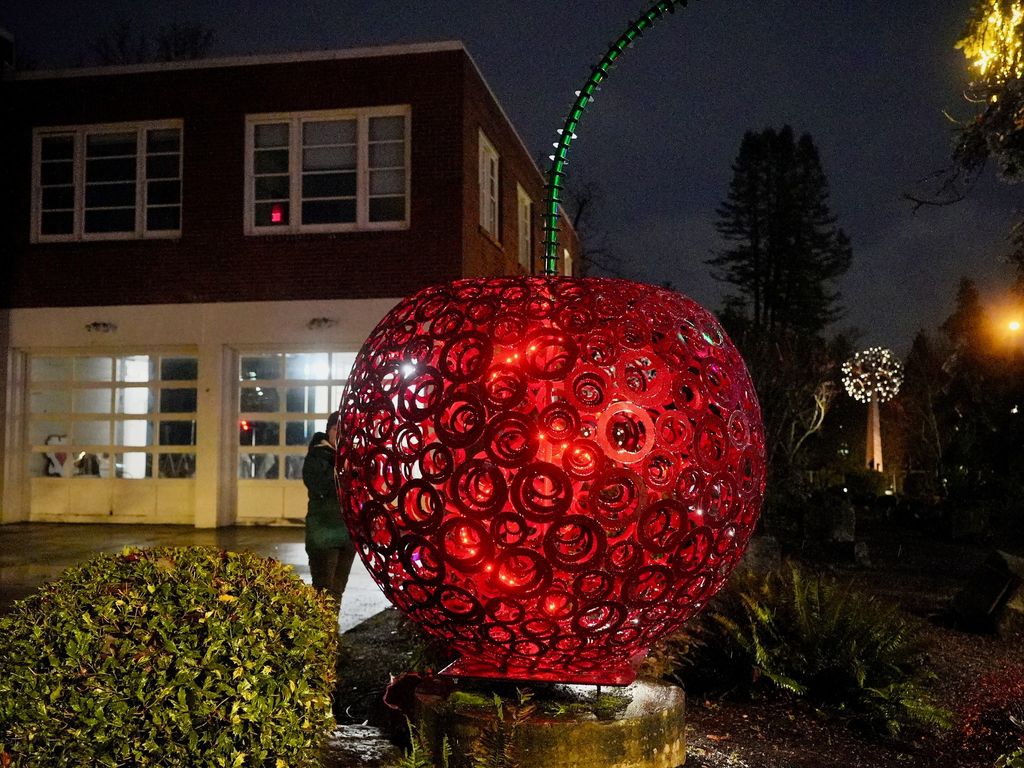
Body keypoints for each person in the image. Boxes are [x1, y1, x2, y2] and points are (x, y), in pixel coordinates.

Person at [302, 412, 356, 612]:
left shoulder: (349, 458)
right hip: (324, 534)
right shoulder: (318, 455)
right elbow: (320, 485)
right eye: (336, 429)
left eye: (345, 431)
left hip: (347, 536)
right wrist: (344, 473)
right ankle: (319, 635)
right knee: (323, 590)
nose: (340, 434)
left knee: (337, 590)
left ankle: (330, 633)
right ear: (328, 430)